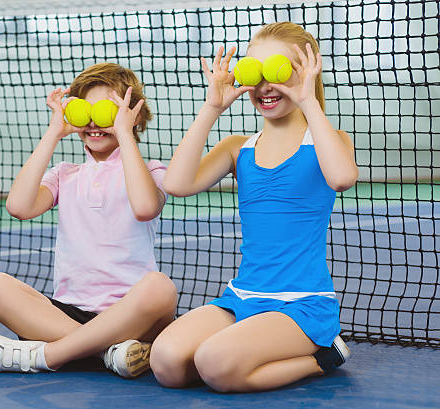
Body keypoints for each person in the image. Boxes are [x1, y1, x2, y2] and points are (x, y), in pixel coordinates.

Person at [150, 22, 359, 392]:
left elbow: (341, 178)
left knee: (214, 363)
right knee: (166, 362)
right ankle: (238, 354)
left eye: (277, 71)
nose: (264, 86)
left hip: (302, 304)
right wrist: (212, 107)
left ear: (306, 73)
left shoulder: (330, 140)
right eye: (254, 71)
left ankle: (321, 359)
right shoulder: (237, 147)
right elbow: (177, 184)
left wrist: (309, 100)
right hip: (242, 298)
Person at [0, 63, 177, 378]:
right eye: (84, 111)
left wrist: (124, 132)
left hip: (130, 314)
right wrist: (54, 132)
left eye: (106, 112)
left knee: (160, 288)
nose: (93, 122)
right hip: (66, 313)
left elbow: (146, 206)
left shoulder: (151, 171)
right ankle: (107, 353)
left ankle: (48, 354)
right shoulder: (65, 174)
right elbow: (19, 206)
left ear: (132, 115)